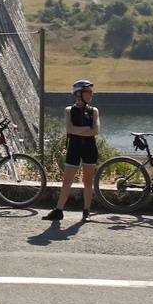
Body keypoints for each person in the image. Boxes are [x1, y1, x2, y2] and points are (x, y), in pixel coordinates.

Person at [45, 79, 100, 222]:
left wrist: (78, 131)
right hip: (74, 148)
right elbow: (69, 129)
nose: (91, 94)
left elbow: (95, 131)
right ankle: (58, 211)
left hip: (89, 148)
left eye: (91, 91)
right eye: (88, 91)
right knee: (67, 181)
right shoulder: (69, 110)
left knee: (88, 182)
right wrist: (86, 130)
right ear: (78, 94)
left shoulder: (94, 111)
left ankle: (86, 212)